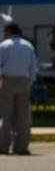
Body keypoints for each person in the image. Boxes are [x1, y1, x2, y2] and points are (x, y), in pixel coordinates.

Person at [0, 22, 38, 155]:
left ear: (9, 31)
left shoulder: (4, 45)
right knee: (23, 116)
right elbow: (33, 66)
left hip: (8, 80)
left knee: (6, 115)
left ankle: (3, 146)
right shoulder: (28, 46)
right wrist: (30, 82)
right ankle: (21, 146)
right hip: (24, 81)